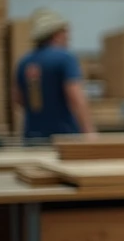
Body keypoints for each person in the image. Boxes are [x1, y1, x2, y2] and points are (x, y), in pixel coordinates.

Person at [13, 8, 95, 142]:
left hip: (32, 137)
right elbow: (75, 97)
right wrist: (89, 132)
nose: (68, 37)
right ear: (56, 34)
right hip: (63, 138)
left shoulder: (24, 62)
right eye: (65, 32)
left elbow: (18, 98)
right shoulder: (65, 58)